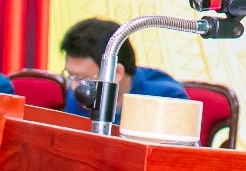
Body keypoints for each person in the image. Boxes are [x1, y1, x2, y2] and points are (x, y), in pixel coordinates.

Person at [60, 18, 188, 120]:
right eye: (70, 75)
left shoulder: (166, 99)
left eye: (82, 79)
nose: (74, 87)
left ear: (116, 73)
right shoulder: (75, 96)